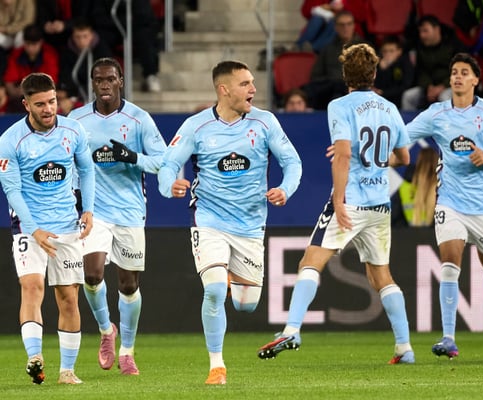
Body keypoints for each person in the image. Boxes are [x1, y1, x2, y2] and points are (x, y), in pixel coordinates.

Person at [258, 43, 415, 364]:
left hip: (352, 200)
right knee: (381, 276)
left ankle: (292, 329)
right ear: (374, 73)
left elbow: (342, 155)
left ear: (345, 75)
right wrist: (372, 159)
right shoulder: (389, 108)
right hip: (380, 204)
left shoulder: (340, 106)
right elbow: (403, 158)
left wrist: (339, 200)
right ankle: (405, 348)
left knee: (311, 261)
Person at [158, 60, 302, 385]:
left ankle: (227, 274)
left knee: (246, 305)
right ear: (224, 89)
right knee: (213, 290)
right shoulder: (196, 126)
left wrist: (285, 189)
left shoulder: (265, 122)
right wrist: (170, 186)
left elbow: (292, 162)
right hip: (209, 219)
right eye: (245, 84)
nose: (253, 89)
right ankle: (217, 366)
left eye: (252, 82)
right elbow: (167, 165)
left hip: (250, 225)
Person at [406, 52, 483, 358]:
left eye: (465, 72)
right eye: (454, 71)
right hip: (450, 202)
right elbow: (403, 135)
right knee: (449, 263)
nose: (457, 76)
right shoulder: (436, 114)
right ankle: (449, 337)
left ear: (476, 80)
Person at [67, 57, 167, 375]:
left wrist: (132, 157)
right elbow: (67, 162)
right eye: (99, 80)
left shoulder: (139, 119)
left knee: (128, 284)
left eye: (110, 79)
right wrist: (74, 197)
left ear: (121, 81)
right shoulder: (76, 119)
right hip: (94, 210)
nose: (105, 85)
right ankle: (106, 330)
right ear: (92, 83)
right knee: (91, 274)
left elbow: (163, 162)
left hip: (130, 211)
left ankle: (127, 351)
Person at [0, 72, 95, 384]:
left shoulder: (73, 130)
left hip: (67, 225)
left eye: (52, 101)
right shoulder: (10, 141)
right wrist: (34, 229)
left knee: (69, 297)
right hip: (30, 227)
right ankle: (35, 357)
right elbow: (12, 191)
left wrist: (88, 209)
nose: (48, 109)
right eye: (40, 104)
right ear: (26, 104)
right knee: (31, 287)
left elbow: (86, 170)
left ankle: (67, 371)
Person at [304, 10, 367, 110]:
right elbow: (316, 76)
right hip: (332, 91)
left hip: (358, 91)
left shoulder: (365, 48)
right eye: (342, 25)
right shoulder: (327, 49)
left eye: (349, 24)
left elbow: (371, 73)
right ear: (336, 27)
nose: (345, 28)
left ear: (354, 25)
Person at [401, 15, 465, 111]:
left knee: (444, 98)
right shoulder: (420, 47)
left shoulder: (454, 45)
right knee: (408, 96)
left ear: (436, 29)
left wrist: (443, 86)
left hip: (453, 86)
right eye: (420, 31)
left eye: (425, 31)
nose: (422, 35)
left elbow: (461, 71)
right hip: (429, 88)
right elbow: (421, 71)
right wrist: (429, 87)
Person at [3, 24, 59, 113]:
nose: (30, 48)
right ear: (24, 42)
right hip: (21, 98)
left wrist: (30, 90)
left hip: (44, 97)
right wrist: (15, 93)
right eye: (28, 44)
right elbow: (9, 82)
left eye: (34, 44)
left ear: (41, 42)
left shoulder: (50, 55)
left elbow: (52, 83)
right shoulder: (16, 55)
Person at [59, 17, 112, 106]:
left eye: (85, 36)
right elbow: (65, 75)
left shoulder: (102, 51)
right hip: (74, 93)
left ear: (92, 35)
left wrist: (74, 96)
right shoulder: (67, 51)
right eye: (77, 37)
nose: (81, 41)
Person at [391, 147, 439, 228]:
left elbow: (394, 221)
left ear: (418, 163)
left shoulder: (404, 187)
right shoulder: (443, 189)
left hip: (409, 235)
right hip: (438, 235)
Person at [373, 35, 414, 109]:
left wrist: (384, 92)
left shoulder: (405, 63)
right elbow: (376, 84)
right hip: (382, 99)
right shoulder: (378, 64)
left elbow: (406, 85)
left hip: (399, 98)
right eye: (385, 51)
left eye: (391, 51)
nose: (388, 54)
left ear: (399, 51)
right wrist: (382, 70)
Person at [0, 0, 36, 76]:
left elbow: (28, 22)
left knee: (21, 36)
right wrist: (6, 7)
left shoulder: (27, 2)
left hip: (20, 33)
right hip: (6, 35)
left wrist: (7, 29)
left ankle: (16, 63)